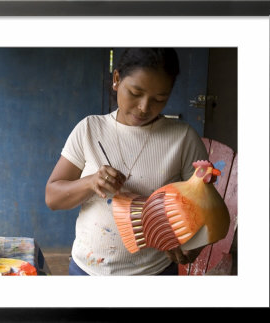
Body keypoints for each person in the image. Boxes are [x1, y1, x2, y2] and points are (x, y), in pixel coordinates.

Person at [45, 48, 208, 275]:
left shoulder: (183, 138)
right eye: (135, 92)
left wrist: (194, 243)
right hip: (87, 271)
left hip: (153, 274)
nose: (144, 107)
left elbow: (205, 208)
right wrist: (91, 182)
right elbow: (52, 198)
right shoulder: (90, 129)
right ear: (116, 79)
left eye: (159, 99)